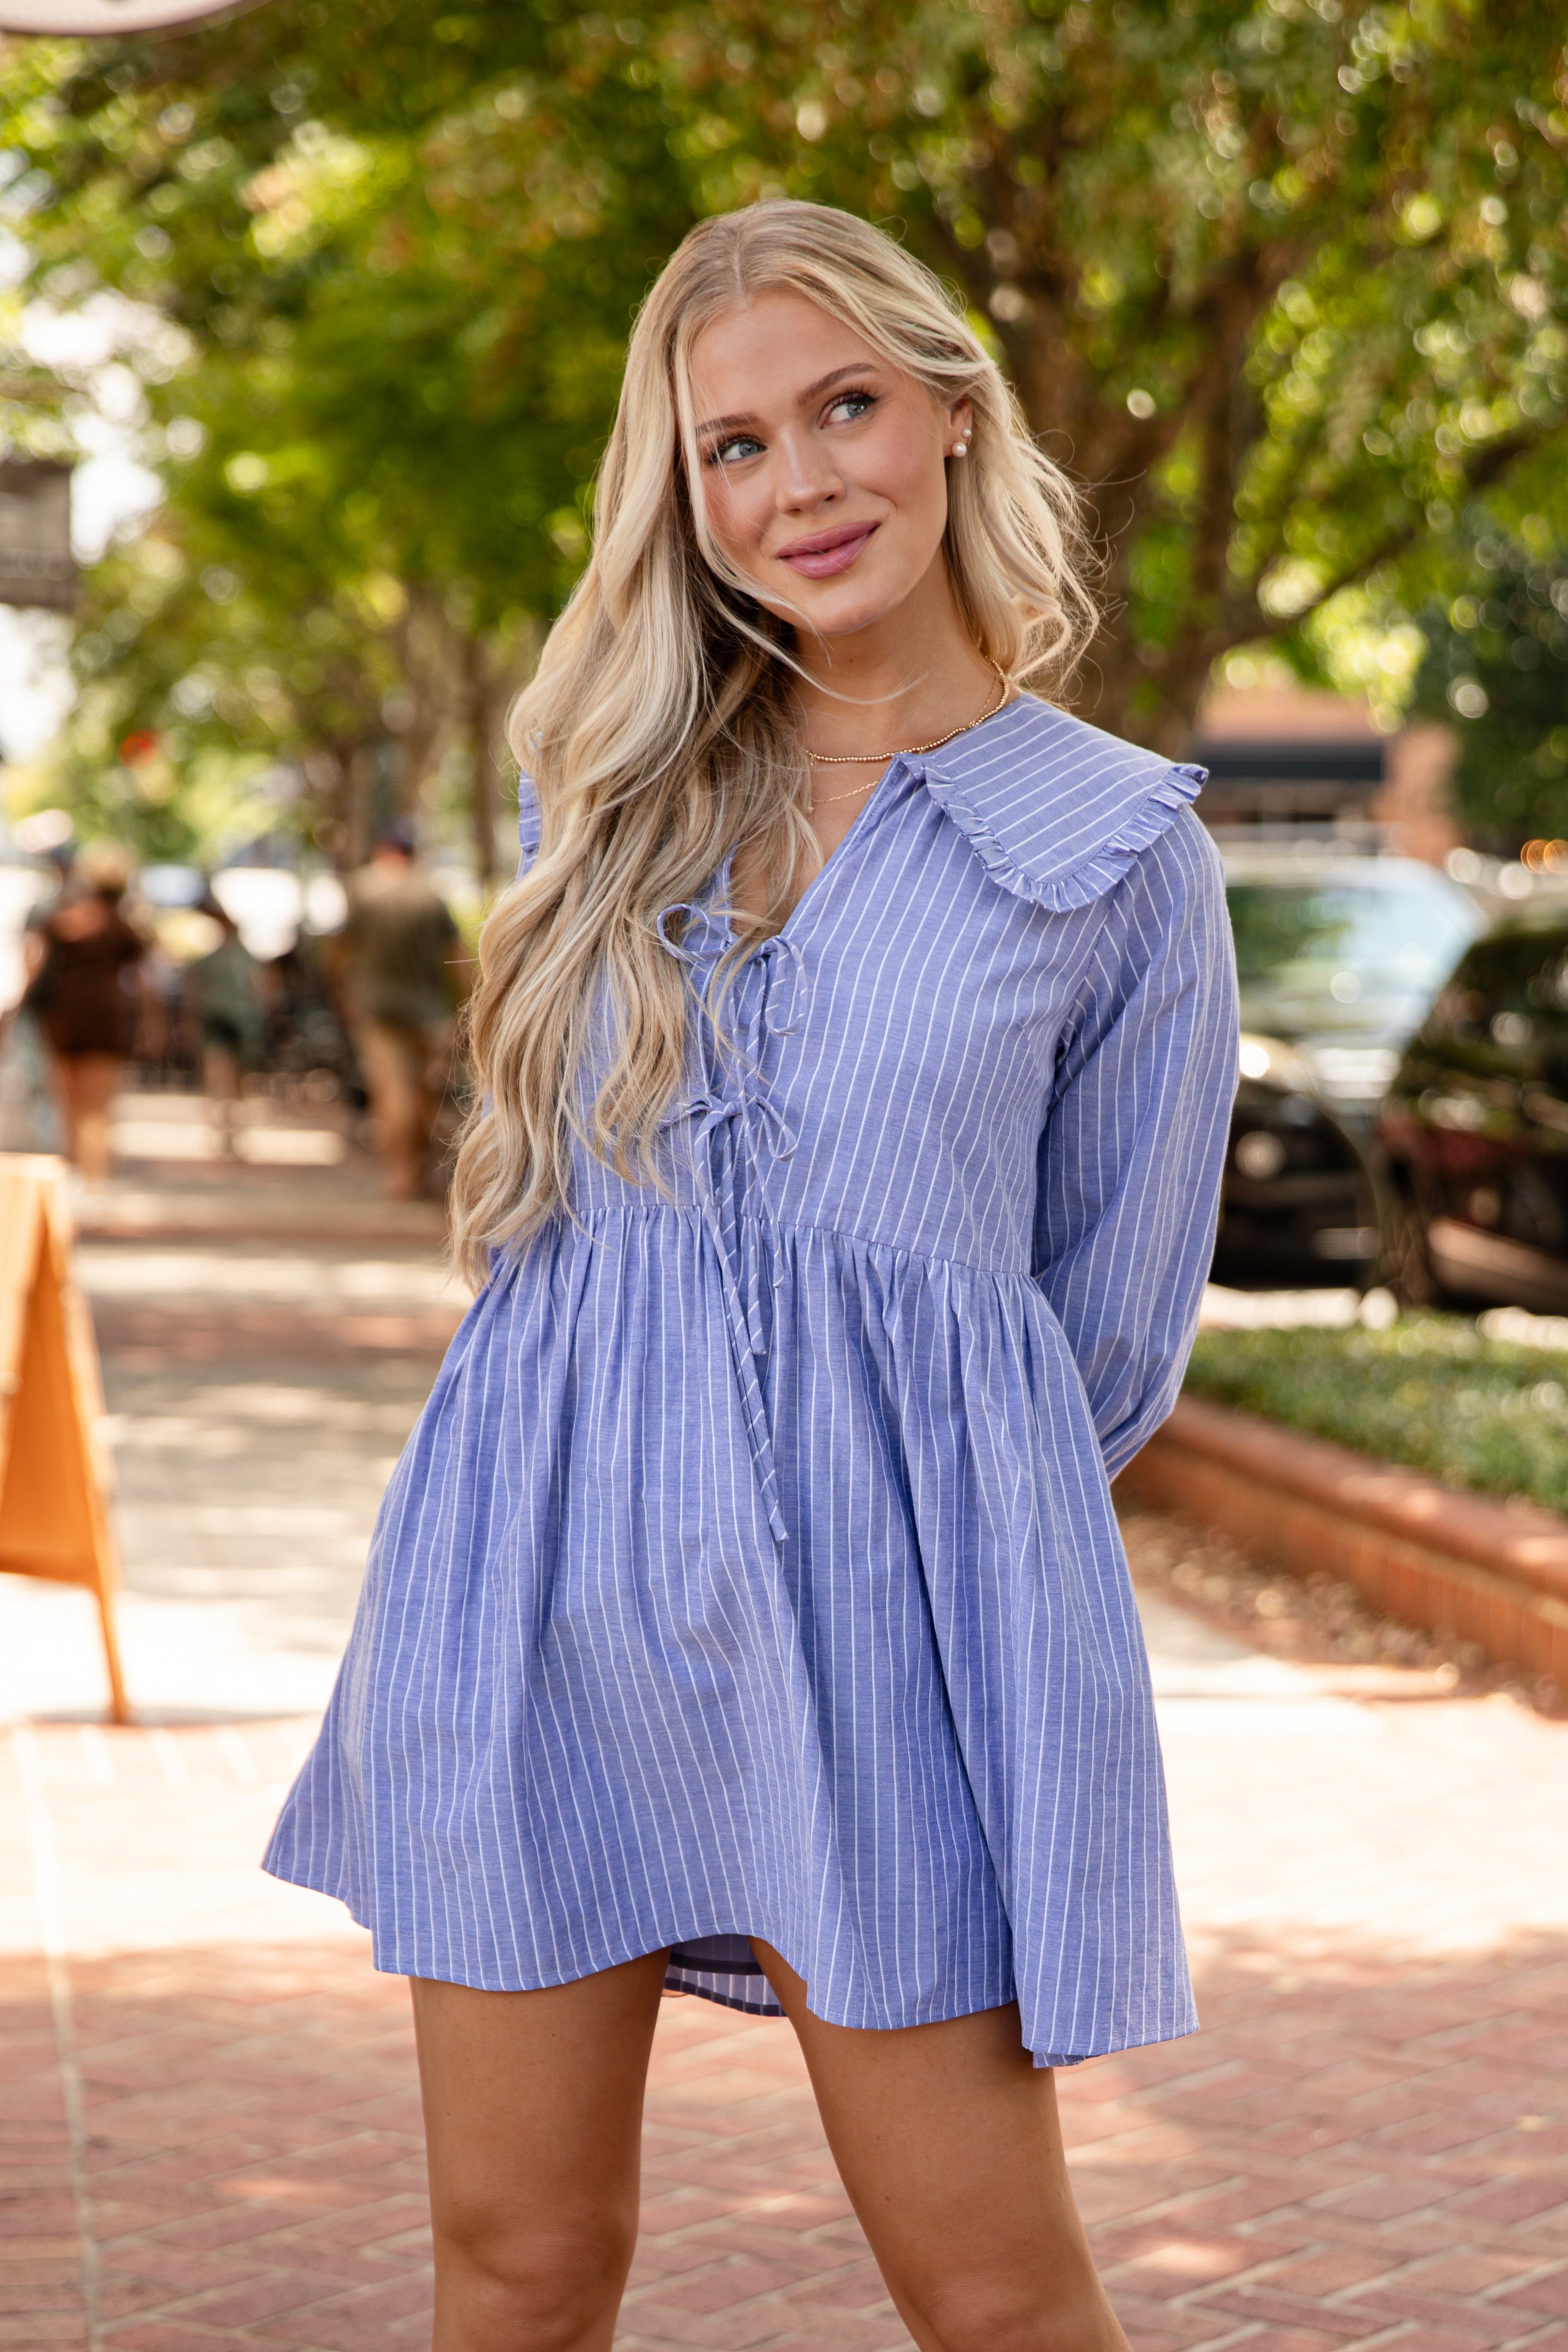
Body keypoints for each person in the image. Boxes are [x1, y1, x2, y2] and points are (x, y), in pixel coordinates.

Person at [266, 201, 1238, 2352]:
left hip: (891, 1634)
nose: (799, 484)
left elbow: (1105, 1332)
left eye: (845, 410)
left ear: (955, 421)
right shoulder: (603, 796)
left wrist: (892, 1507)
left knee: (992, 2291)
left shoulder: (1116, 855)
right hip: (532, 1581)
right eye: (731, 446)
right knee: (515, 2265)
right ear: (680, 496)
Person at [338, 822, 469, 1198]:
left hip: (378, 1008)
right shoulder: (431, 894)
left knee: (393, 1090)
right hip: (429, 1009)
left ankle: (399, 1174)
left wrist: (342, 992)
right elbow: (458, 958)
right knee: (428, 1091)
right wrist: (466, 1007)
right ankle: (419, 1169)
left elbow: (340, 951)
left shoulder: (362, 889)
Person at [25, 840, 148, 1181]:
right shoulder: (123, 929)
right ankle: (94, 1178)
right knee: (97, 1107)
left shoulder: (63, 921)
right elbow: (140, 982)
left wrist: (19, 1010)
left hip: (63, 1018)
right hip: (104, 1019)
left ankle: (76, 1174)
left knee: (69, 1104)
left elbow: (34, 965)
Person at [187, 898, 266, 1155]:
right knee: (220, 1077)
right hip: (218, 1020)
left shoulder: (247, 958)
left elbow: (262, 991)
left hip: (242, 1024)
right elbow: (197, 993)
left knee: (239, 1081)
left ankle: (236, 1130)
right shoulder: (211, 960)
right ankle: (224, 1130)